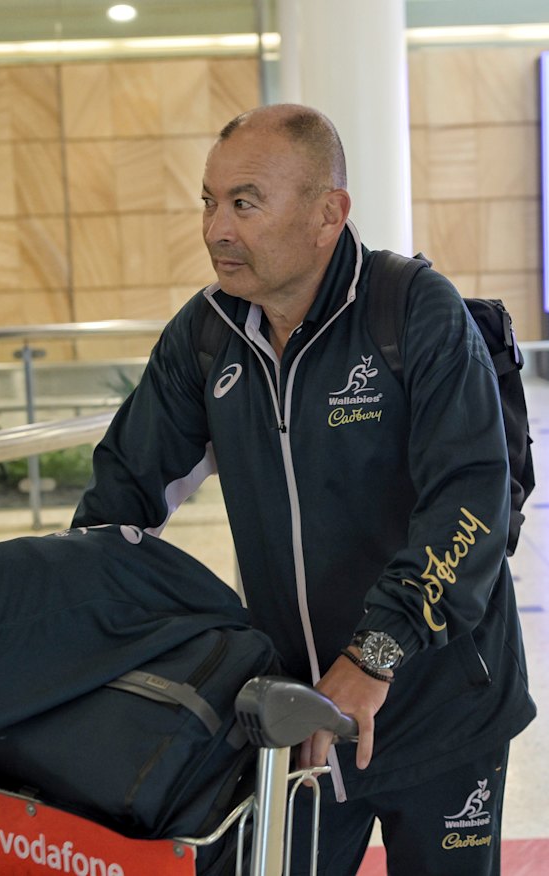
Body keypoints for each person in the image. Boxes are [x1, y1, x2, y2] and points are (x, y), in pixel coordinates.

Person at [72, 104, 536, 875]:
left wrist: (375, 654)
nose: (218, 228)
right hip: (298, 719)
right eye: (209, 202)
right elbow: (122, 497)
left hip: (442, 706)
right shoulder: (207, 335)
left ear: (329, 213)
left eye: (245, 202)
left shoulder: (413, 310)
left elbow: (469, 501)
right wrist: (78, 633)